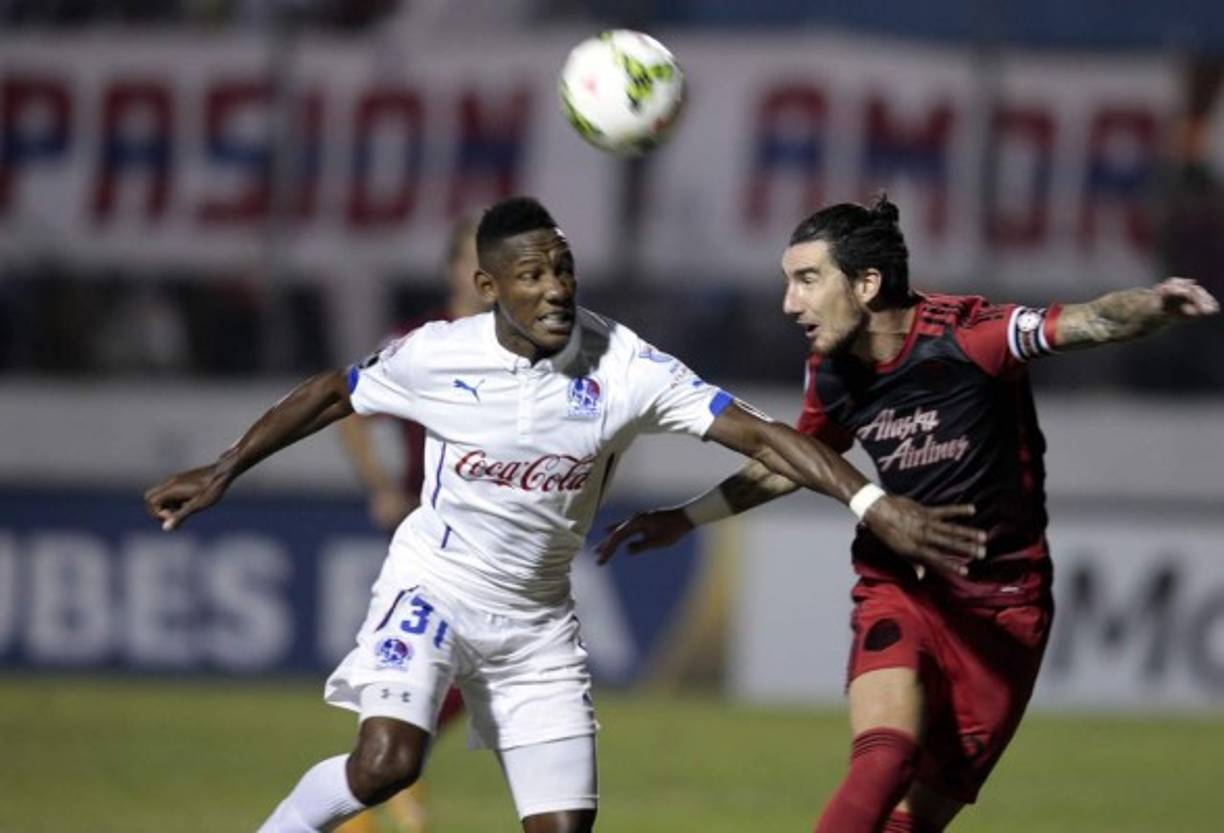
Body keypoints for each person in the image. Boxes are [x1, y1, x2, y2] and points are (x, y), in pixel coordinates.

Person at [143, 196, 986, 833]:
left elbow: (766, 436)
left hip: (538, 621)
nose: (554, 289)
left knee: (565, 826)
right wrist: (225, 468)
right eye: (531, 275)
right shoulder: (438, 353)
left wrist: (872, 501)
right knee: (387, 763)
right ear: (487, 286)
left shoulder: (626, 364)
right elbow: (331, 392)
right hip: (435, 586)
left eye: (563, 268)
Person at [595, 195, 1220, 833]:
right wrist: (688, 517)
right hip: (901, 586)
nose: (789, 303)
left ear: (866, 284)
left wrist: (1151, 305)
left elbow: (1089, 321)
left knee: (907, 825)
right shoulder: (832, 370)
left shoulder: (970, 336)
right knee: (883, 759)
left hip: (1002, 611)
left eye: (807, 279)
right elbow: (795, 461)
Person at [334, 218, 487, 833]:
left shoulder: (532, 345)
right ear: (452, 269)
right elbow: (348, 409)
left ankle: (380, 781)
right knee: (455, 666)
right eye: (476, 259)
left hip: (502, 537)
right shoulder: (419, 341)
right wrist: (381, 486)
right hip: (435, 532)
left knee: (465, 672)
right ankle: (378, 789)